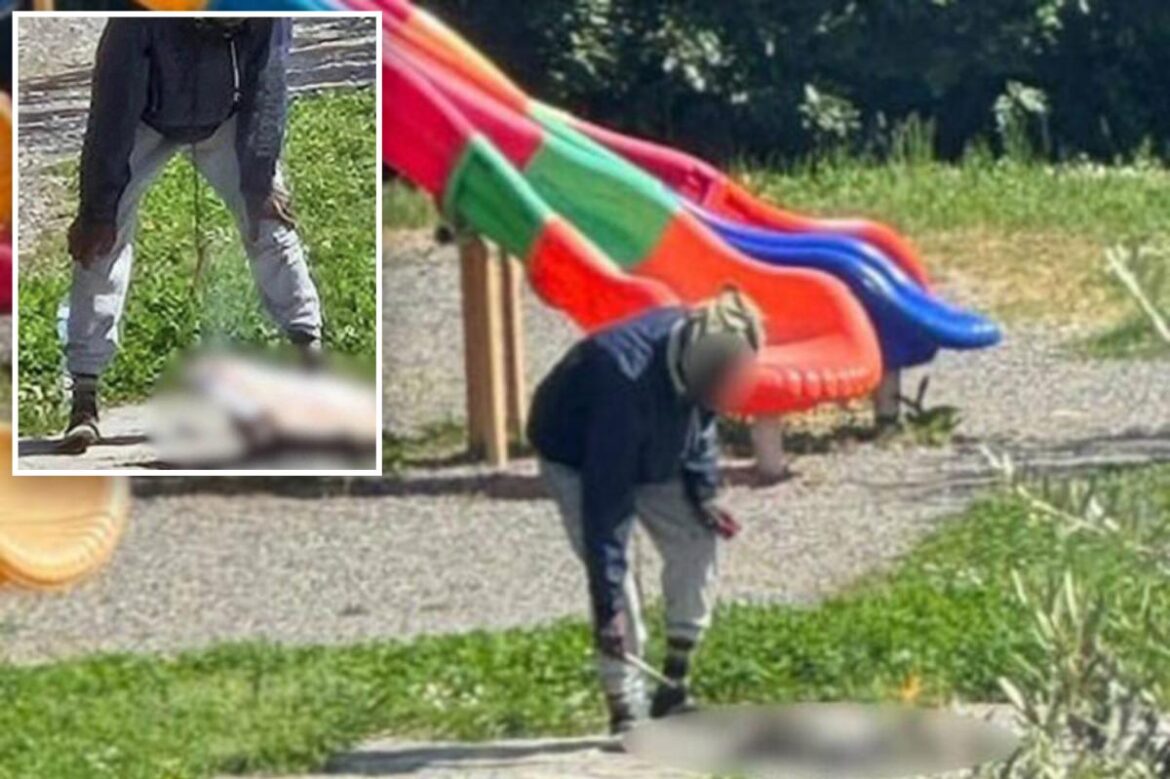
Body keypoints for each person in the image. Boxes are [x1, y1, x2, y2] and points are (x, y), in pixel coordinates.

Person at [61, 17, 323, 454]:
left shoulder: (268, 14)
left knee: (271, 222)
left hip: (229, 118)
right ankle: (84, 396)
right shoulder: (136, 23)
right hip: (147, 118)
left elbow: (267, 87)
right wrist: (98, 208)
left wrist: (258, 181)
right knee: (99, 243)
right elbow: (113, 112)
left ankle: (308, 356)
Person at [528, 289, 764, 736]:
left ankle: (674, 684)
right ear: (695, 362)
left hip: (657, 447)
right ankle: (625, 706)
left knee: (699, 539)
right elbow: (606, 510)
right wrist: (607, 602)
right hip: (581, 460)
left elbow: (702, 424)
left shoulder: (708, 357)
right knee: (621, 587)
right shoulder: (622, 379)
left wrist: (704, 493)